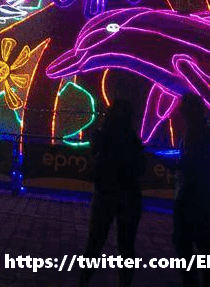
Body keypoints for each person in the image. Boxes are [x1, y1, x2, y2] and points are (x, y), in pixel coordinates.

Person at [78, 99, 145, 287]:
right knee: (124, 244)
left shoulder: (106, 134)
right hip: (127, 195)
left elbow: (94, 152)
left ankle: (84, 281)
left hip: (108, 193)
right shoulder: (131, 138)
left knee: (97, 241)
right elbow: (141, 166)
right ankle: (121, 282)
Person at [174, 93, 210, 287]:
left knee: (186, 242)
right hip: (202, 194)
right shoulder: (204, 131)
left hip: (192, 194)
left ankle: (192, 281)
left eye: (183, 108)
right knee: (202, 241)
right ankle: (206, 281)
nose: (179, 111)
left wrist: (175, 165)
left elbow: (192, 163)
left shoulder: (196, 133)